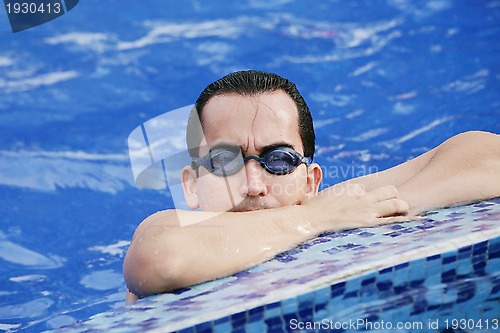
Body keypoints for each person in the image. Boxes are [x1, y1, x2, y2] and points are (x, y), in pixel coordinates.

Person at [123, 70, 500, 303]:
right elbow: (160, 261)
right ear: (191, 184)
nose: (254, 185)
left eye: (280, 160)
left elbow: (487, 155)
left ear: (310, 182)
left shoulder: (332, 212)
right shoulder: (173, 237)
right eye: (225, 161)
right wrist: (309, 220)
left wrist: (370, 208)